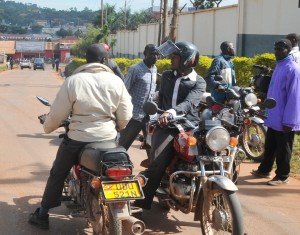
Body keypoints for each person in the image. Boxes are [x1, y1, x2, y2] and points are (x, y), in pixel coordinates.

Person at [28, 44, 133, 229]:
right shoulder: (116, 81)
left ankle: (43, 215)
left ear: (86, 60)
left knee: (58, 173)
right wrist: (119, 126)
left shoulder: (74, 81)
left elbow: (58, 113)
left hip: (78, 139)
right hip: (108, 140)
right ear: (105, 61)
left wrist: (47, 127)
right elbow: (125, 114)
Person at [133, 41, 206, 210]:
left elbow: (189, 103)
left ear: (187, 59)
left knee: (211, 154)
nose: (172, 59)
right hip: (166, 125)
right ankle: (141, 204)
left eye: (175, 56)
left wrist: (172, 112)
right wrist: (157, 109)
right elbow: (161, 95)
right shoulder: (167, 75)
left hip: (189, 126)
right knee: (157, 164)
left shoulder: (199, 81)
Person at [251, 39, 300, 186]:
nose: (277, 51)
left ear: (288, 50)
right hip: (273, 115)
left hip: (284, 118)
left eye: (281, 49)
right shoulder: (279, 66)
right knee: (270, 146)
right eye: (276, 48)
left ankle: (282, 176)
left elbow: (295, 98)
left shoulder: (293, 69)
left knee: (283, 149)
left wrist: (290, 121)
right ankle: (264, 169)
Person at [118, 44, 159, 151]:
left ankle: (152, 167)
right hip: (134, 116)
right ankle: (116, 163)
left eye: (157, 54)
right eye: (152, 54)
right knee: (123, 145)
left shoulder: (154, 69)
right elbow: (124, 90)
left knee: (152, 146)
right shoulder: (135, 69)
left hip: (149, 117)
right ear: (145, 54)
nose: (155, 57)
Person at [205, 41, 236, 106]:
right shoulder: (218, 60)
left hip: (229, 95)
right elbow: (209, 77)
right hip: (219, 96)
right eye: (233, 47)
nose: (234, 49)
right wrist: (217, 86)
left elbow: (232, 80)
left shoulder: (230, 62)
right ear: (228, 49)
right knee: (216, 114)